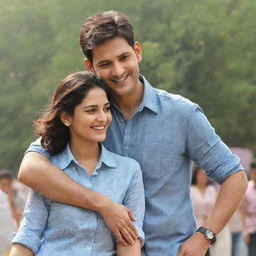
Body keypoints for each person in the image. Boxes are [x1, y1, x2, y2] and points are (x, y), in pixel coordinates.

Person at [17, 10, 247, 256]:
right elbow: (30, 169)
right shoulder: (92, 118)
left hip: (171, 251)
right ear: (90, 66)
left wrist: (205, 235)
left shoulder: (182, 114)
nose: (117, 71)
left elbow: (234, 176)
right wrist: (103, 204)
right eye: (105, 63)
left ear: (137, 51)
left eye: (123, 57)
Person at [10, 71, 145, 256]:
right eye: (91, 110)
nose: (103, 118)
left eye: (106, 108)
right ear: (66, 118)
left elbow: (129, 240)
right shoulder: (49, 170)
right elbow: (29, 235)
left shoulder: (128, 171)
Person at [191, 167, 232, 256]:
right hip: (194, 226)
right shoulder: (191, 190)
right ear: (196, 175)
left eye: (205, 175)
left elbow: (216, 206)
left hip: (209, 226)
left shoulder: (211, 189)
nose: (203, 177)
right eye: (201, 174)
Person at [0, 170, 18, 255]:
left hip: (10, 240)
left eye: (8, 185)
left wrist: (10, 199)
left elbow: (17, 217)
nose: (6, 188)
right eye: (3, 185)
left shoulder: (16, 198)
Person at [241, 162, 256, 256]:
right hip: (251, 228)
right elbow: (242, 210)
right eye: (254, 173)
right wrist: (244, 230)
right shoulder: (247, 188)